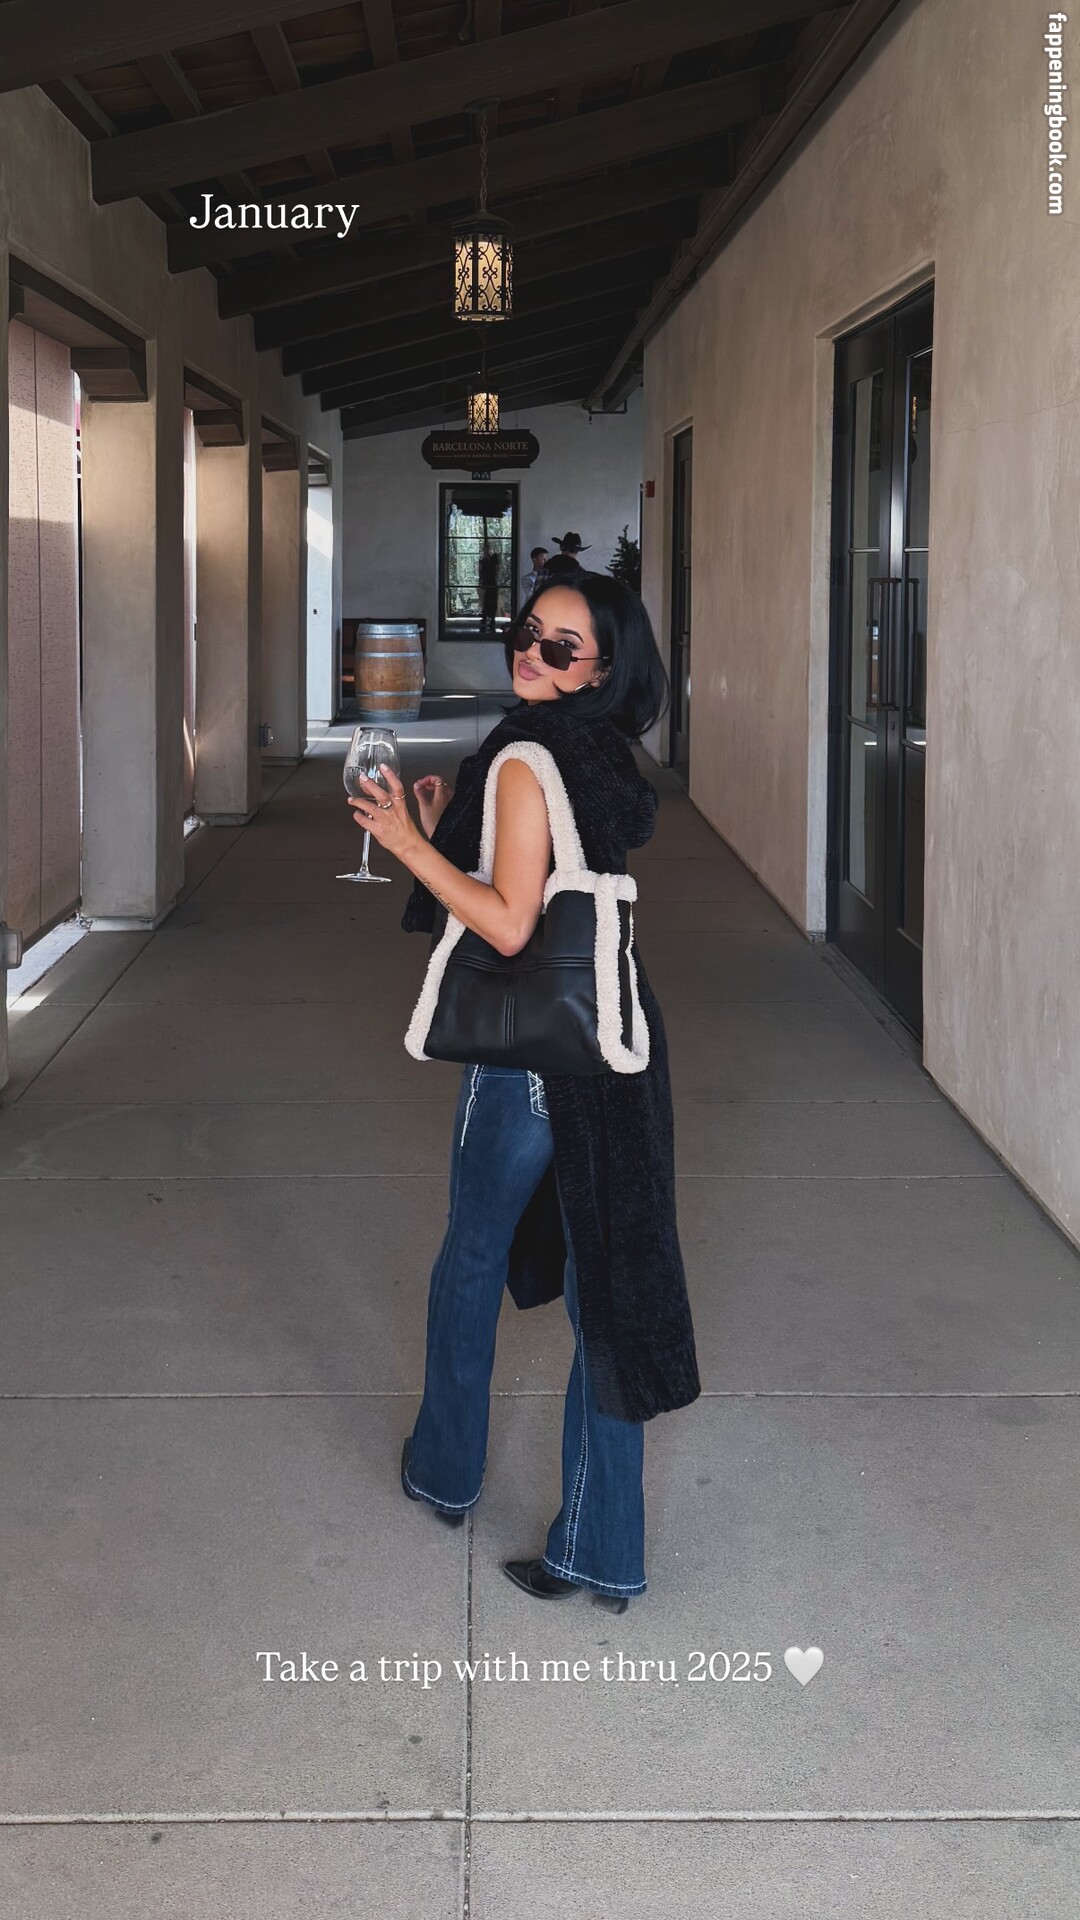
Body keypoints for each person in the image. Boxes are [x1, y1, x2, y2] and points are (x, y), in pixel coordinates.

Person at [346, 573, 700, 1613]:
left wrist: (408, 846)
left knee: (469, 1262)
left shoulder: (523, 755)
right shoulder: (598, 751)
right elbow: (543, 871)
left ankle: (444, 1472)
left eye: (560, 648)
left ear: (599, 668)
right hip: (613, 1043)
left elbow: (508, 924)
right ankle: (602, 1551)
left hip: (530, 1061)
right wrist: (448, 825)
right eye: (527, 632)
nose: (531, 654)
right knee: (607, 1299)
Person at [477, 546, 501, 634]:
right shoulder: (484, 561)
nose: (487, 552)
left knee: (492, 602)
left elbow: (496, 570)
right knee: (486, 601)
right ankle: (486, 618)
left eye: (489, 550)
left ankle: (491, 618)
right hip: (488, 584)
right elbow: (482, 573)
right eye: (486, 550)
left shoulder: (493, 560)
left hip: (492, 584)